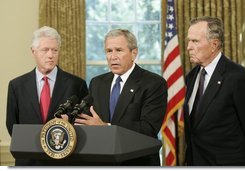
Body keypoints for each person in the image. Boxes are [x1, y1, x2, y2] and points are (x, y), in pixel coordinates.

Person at [74, 29, 167, 166]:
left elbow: (148, 128)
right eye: (109, 51)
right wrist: (70, 121)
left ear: (133, 53)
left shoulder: (153, 83)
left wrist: (106, 127)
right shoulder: (97, 83)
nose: (113, 57)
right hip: (102, 162)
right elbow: (90, 120)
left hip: (137, 162)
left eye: (119, 50)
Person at [6, 26, 88, 166]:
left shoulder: (77, 84)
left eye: (55, 50)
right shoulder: (16, 85)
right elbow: (12, 124)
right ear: (33, 52)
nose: (50, 55)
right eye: (45, 50)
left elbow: (84, 124)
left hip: (65, 161)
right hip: (28, 161)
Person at [184, 16, 245, 166]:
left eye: (195, 41)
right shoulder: (191, 77)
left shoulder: (238, 77)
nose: (188, 47)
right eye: (189, 41)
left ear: (214, 44)